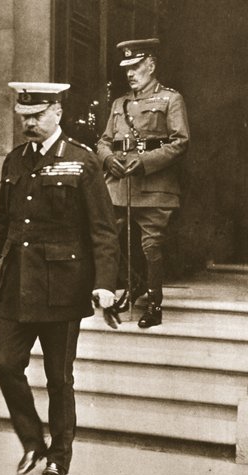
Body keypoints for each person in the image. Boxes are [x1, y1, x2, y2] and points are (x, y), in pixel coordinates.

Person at [0, 82, 120, 475]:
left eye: (36, 116)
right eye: (24, 118)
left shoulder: (82, 161)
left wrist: (106, 282)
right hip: (17, 284)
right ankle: (32, 442)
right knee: (6, 366)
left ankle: (60, 455)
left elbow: (104, 231)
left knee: (59, 379)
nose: (29, 124)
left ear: (57, 111)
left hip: (62, 290)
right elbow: (4, 220)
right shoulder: (14, 161)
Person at [97, 38, 190, 328]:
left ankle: (153, 304)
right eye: (127, 67)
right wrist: (107, 158)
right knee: (109, 239)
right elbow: (103, 140)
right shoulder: (119, 103)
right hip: (119, 184)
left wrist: (147, 162)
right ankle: (131, 287)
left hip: (154, 186)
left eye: (136, 66)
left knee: (151, 246)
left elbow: (180, 142)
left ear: (151, 65)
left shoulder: (170, 99)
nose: (130, 73)